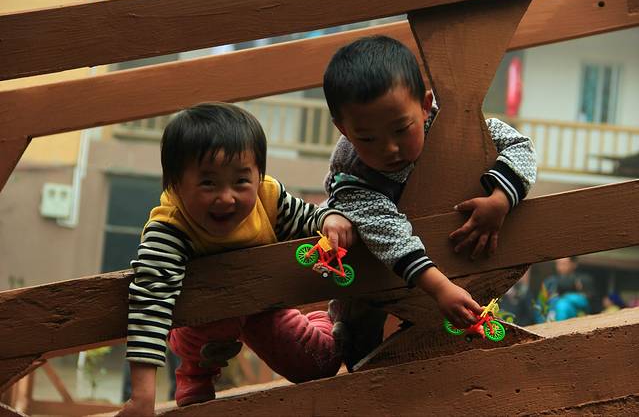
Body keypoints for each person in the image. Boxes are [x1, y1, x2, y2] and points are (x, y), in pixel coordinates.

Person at [117, 103, 352, 416]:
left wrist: (328, 218)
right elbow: (149, 307)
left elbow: (306, 218)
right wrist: (143, 397)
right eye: (208, 183)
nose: (226, 197)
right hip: (201, 319)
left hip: (264, 305)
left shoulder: (268, 198)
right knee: (205, 331)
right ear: (175, 184)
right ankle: (194, 371)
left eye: (241, 181)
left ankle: (319, 321)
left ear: (258, 177)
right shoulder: (170, 230)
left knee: (319, 364)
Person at [322, 35, 537, 370]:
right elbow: (387, 233)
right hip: (383, 271)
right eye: (368, 138)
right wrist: (439, 289)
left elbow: (519, 146)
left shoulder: (453, 126)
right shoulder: (353, 176)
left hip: (451, 254)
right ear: (344, 130)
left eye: (401, 129)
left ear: (424, 106)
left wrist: (500, 199)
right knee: (361, 327)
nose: (389, 148)